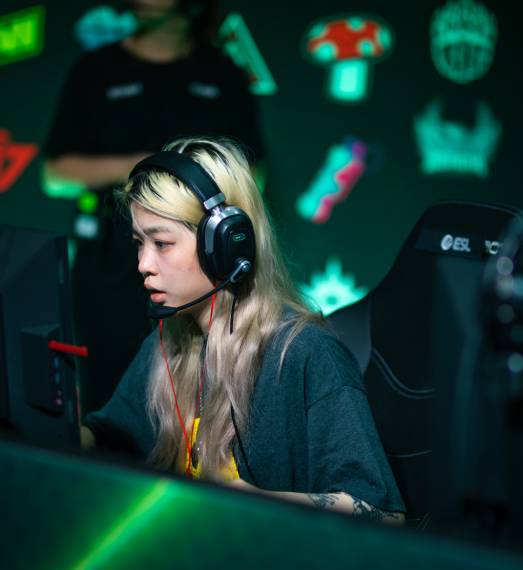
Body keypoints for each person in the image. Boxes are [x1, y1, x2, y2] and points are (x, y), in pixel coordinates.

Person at [81, 137, 405, 523]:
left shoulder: (304, 353)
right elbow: (109, 437)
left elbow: (383, 513)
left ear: (225, 243)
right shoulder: (167, 344)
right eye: (139, 242)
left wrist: (258, 502)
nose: (143, 264)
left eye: (162, 243)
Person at [43, 0, 265, 414]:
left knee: (204, 401)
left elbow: (252, 175)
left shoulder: (222, 72)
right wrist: (147, 167)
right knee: (110, 402)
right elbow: (55, 173)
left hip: (202, 266)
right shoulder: (96, 69)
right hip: (108, 268)